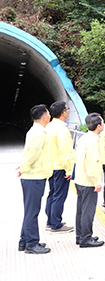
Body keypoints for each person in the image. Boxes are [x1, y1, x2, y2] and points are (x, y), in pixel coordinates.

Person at [17, 104, 53, 254]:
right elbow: (32, 154)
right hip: (33, 177)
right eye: (49, 114)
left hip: (34, 176)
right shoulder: (39, 134)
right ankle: (32, 244)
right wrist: (23, 168)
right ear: (44, 117)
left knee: (30, 211)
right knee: (32, 212)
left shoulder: (36, 131)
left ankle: (24, 241)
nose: (50, 116)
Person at [74, 113, 105, 248]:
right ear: (98, 126)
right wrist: (97, 181)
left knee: (81, 209)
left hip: (80, 179)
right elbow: (93, 163)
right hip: (88, 181)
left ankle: (80, 236)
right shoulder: (93, 141)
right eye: (102, 123)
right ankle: (86, 238)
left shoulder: (84, 138)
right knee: (88, 210)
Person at [44, 101, 75, 233]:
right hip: (60, 167)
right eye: (67, 109)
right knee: (59, 196)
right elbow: (65, 150)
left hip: (51, 166)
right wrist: (68, 169)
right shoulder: (61, 129)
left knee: (52, 193)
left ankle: (50, 221)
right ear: (63, 112)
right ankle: (56, 224)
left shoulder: (48, 127)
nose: (68, 111)